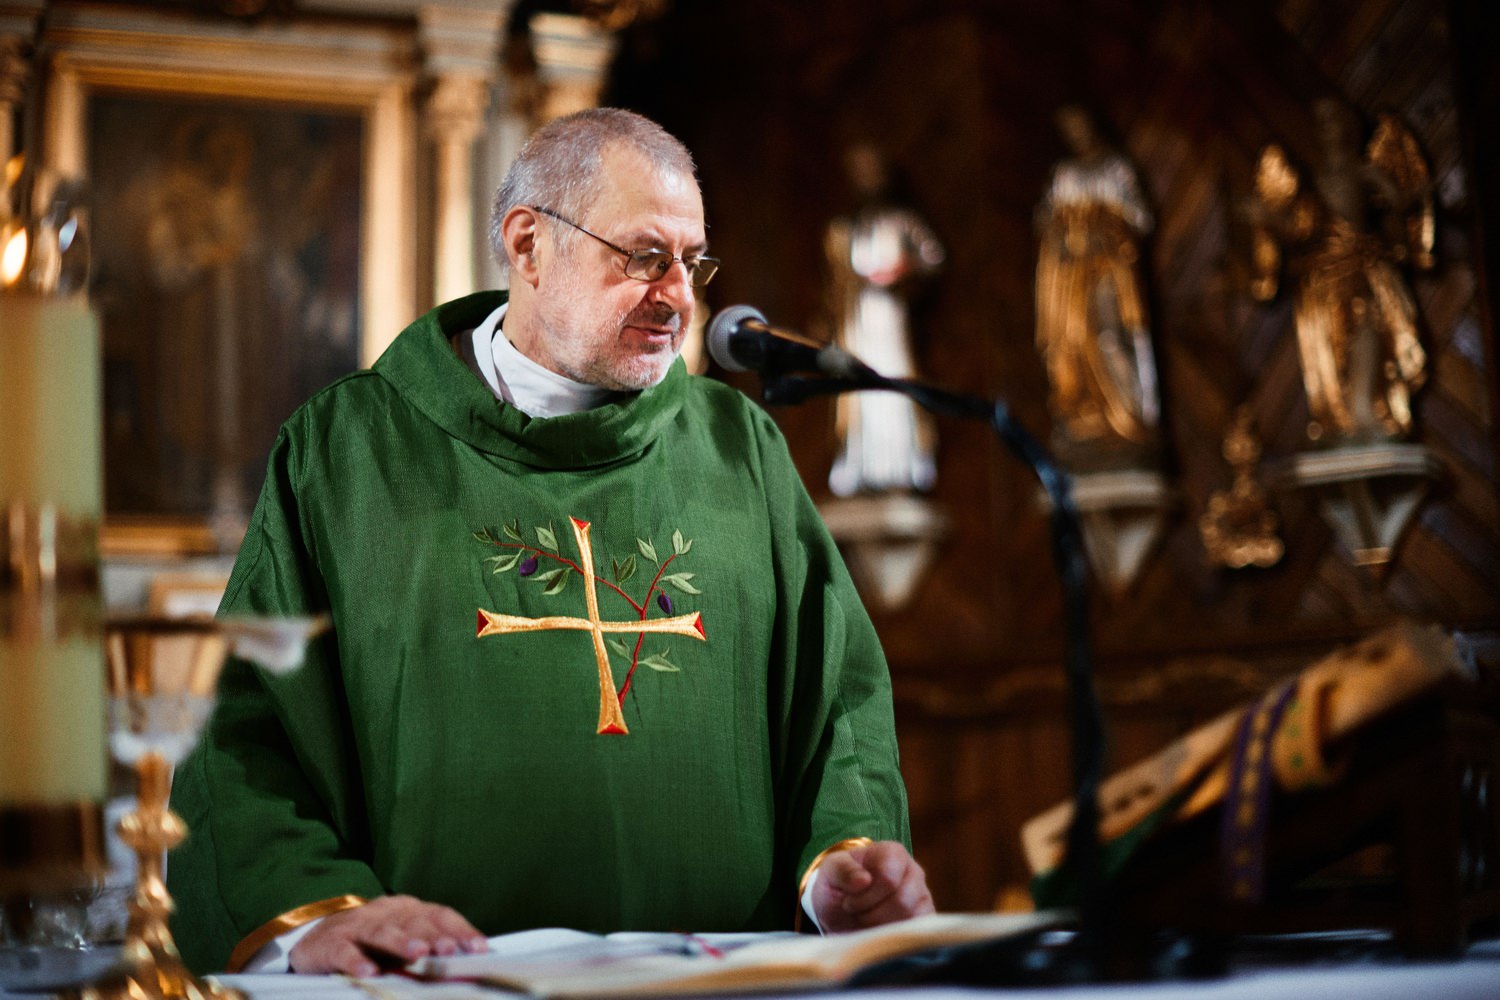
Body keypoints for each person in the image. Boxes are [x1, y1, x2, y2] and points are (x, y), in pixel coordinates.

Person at [166, 108, 932, 977]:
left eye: (692, 261)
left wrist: (839, 869)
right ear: (529, 246)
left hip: (723, 985)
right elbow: (246, 735)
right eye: (645, 256)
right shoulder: (346, 452)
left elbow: (840, 701)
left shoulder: (739, 449)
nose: (679, 295)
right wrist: (317, 914)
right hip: (439, 992)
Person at [1250, 99, 1433, 444]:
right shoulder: (1315, 182)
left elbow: (1397, 202)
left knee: (1366, 326)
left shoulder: (1364, 172)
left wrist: (1417, 195)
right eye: (1320, 122)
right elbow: (1302, 229)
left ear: (1348, 127)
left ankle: (1367, 406)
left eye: (1332, 120)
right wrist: (1268, 219)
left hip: (1359, 265)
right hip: (1323, 276)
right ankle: (1342, 415)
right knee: (1333, 341)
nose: (1326, 129)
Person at [1034, 105, 1159, 465]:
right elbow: (1044, 219)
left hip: (1107, 271)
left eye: (1080, 125)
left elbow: (1141, 219)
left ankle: (1127, 418)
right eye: (1068, 129)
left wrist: (1102, 222)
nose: (1076, 134)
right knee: (1072, 342)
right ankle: (1086, 418)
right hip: (1071, 278)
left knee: (1109, 335)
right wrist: (1062, 227)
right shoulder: (1064, 174)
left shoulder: (1115, 168)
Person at [824, 143, 945, 497]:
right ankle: (862, 466)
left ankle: (900, 465)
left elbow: (933, 260)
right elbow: (835, 280)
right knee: (858, 387)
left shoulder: (903, 221)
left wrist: (900, 276)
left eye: (870, 171)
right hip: (857, 320)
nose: (865, 179)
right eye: (858, 173)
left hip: (890, 316)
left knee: (892, 381)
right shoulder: (848, 226)